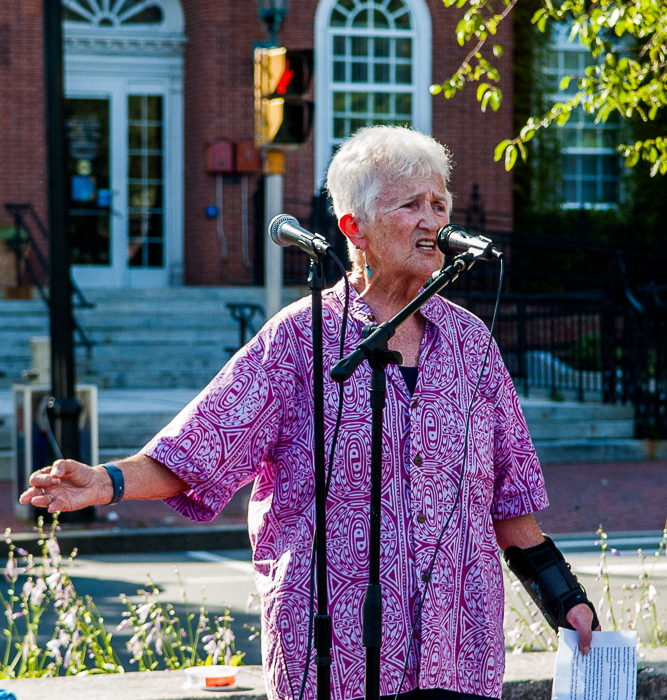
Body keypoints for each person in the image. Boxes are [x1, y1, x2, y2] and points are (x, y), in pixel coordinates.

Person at [21, 126, 597, 700]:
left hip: (457, 652)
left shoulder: (472, 343)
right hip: (330, 655)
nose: (434, 221)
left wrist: (564, 599)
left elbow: (509, 502)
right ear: (355, 228)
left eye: (439, 204)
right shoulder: (303, 338)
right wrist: (106, 481)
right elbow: (202, 447)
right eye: (412, 205)